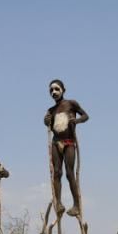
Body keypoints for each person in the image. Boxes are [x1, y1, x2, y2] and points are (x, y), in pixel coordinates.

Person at [43, 79, 89, 217]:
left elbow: (86, 116)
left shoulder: (71, 104)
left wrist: (77, 121)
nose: (54, 92)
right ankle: (58, 203)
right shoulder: (51, 110)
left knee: (70, 173)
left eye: (56, 89)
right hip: (56, 142)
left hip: (69, 142)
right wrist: (46, 122)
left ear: (63, 89)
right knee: (57, 172)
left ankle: (76, 205)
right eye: (51, 90)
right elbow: (52, 127)